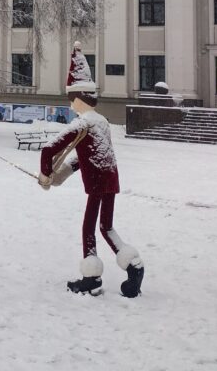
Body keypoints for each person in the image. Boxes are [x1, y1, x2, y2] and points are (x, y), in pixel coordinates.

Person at [38, 42, 146, 298]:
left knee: (88, 227)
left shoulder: (82, 123)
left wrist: (45, 175)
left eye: (71, 100)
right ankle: (134, 266)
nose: (71, 105)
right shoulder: (102, 121)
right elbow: (86, 155)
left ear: (78, 98)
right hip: (111, 180)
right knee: (106, 227)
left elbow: (48, 150)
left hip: (96, 184)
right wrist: (62, 175)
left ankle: (91, 278)